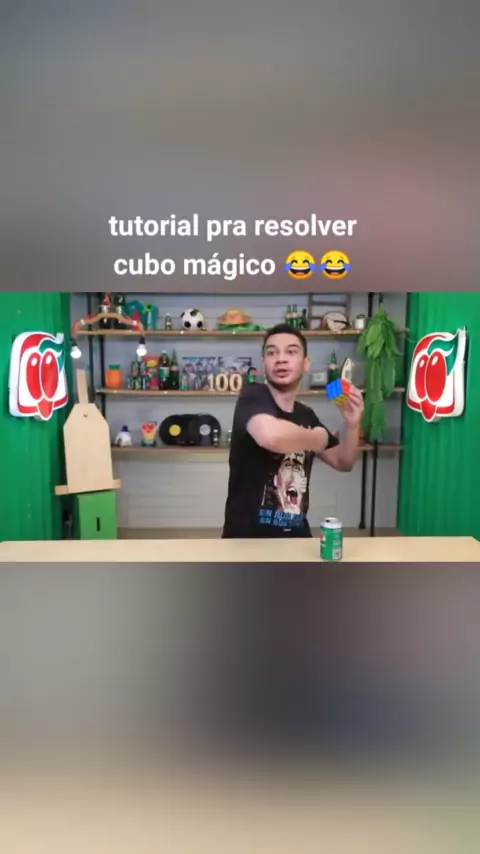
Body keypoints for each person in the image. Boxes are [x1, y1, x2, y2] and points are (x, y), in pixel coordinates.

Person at [222, 323, 364, 538]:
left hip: (297, 537)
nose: (280, 358)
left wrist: (353, 425)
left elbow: (343, 462)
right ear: (264, 363)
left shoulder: (306, 415)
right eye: (272, 353)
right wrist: (317, 438)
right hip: (246, 541)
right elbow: (271, 436)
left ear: (306, 364)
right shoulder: (252, 396)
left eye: (291, 352)